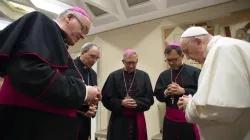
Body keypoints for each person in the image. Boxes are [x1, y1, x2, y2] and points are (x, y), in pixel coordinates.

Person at [0, 7, 101, 140]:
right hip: (27, 126)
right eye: (83, 29)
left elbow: (50, 92)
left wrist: (81, 106)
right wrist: (84, 92)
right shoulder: (41, 21)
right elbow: (32, 73)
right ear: (69, 17)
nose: (83, 36)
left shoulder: (57, 40)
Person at [177, 26, 250, 140]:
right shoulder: (232, 45)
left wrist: (189, 104)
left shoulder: (222, 49)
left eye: (187, 51)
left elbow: (221, 108)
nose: (187, 57)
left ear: (198, 42)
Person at [101, 49, 154, 140]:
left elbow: (149, 99)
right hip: (118, 119)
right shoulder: (113, 76)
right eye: (128, 63)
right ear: (123, 62)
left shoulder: (144, 76)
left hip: (137, 118)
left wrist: (137, 103)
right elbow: (105, 98)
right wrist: (121, 102)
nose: (131, 65)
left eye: (134, 63)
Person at [154, 43, 200, 140]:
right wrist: (166, 92)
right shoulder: (164, 75)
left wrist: (183, 91)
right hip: (170, 119)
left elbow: (202, 93)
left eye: (174, 59)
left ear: (182, 56)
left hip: (189, 118)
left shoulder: (195, 72)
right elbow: (158, 94)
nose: (171, 63)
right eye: (168, 60)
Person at [74, 43, 100, 140]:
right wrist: (83, 109)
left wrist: (93, 109)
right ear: (82, 53)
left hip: (85, 121)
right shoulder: (70, 67)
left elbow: (95, 95)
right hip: (71, 118)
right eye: (92, 56)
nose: (94, 61)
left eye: (97, 58)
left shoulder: (93, 73)